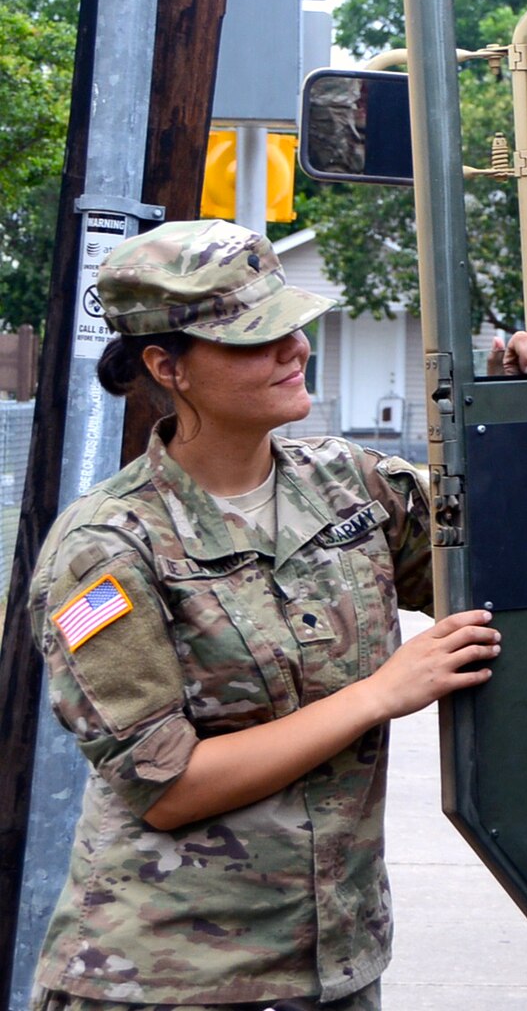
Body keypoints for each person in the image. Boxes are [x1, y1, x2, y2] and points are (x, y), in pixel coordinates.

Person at [27, 220, 501, 1011]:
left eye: (292, 325)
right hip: (169, 980)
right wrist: (380, 692)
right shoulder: (105, 546)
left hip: (337, 962)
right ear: (166, 366)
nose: (295, 349)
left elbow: (506, 545)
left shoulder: (351, 484)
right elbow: (167, 783)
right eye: (256, 338)